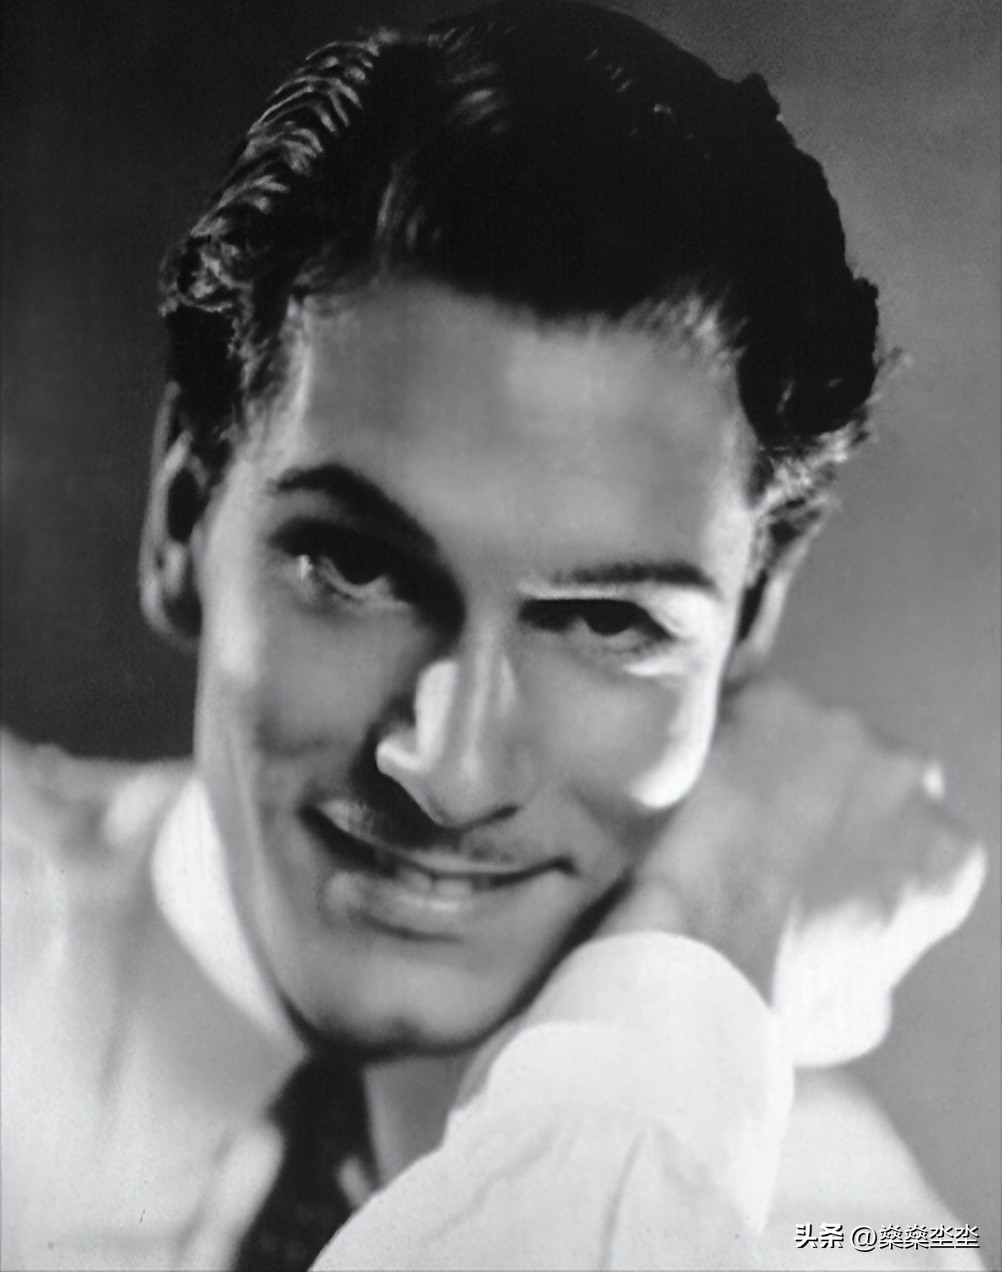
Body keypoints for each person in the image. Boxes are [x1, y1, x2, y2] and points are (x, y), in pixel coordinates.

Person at [0, 3, 987, 1269]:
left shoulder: (845, 1231)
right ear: (185, 516)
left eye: (608, 621)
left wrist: (697, 942)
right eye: (355, 566)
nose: (451, 772)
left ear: (746, 632)